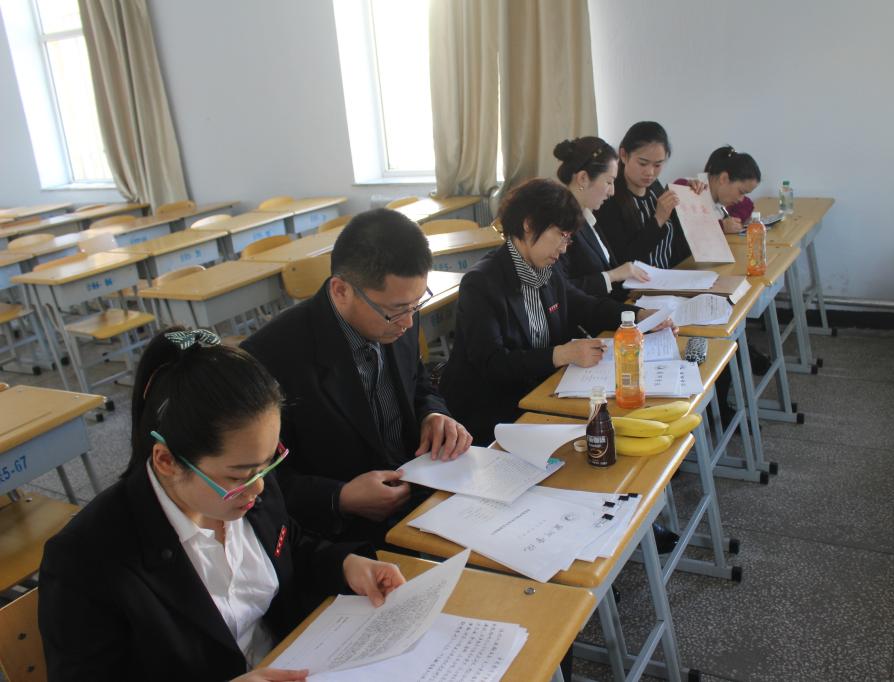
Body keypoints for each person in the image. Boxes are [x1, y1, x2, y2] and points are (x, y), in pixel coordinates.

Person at [39, 328, 406, 681]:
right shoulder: (85, 561)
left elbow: (289, 544)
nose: (259, 486)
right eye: (239, 475)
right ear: (166, 461)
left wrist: (345, 564)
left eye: (269, 463)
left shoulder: (247, 480)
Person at [243, 209, 472, 544]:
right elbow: (260, 480)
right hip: (344, 536)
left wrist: (433, 414)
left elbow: (418, 382)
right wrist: (340, 498)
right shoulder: (271, 356)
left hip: (423, 493)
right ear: (341, 290)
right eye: (396, 311)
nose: (409, 323)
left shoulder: (400, 313)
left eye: (416, 304)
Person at [439, 178, 671, 444]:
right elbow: (492, 363)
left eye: (568, 238)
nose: (563, 248)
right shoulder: (482, 282)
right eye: (561, 235)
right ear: (528, 225)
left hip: (540, 392)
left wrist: (639, 316)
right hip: (490, 411)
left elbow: (585, 305)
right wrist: (561, 354)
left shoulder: (547, 269)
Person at [552, 136, 651, 301]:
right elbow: (561, 290)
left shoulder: (586, 216)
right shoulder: (560, 223)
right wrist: (612, 275)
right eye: (609, 182)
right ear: (583, 178)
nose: (612, 191)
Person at [594, 121, 700, 269]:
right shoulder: (608, 198)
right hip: (637, 283)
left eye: (658, 165)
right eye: (643, 163)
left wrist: (691, 196)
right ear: (623, 155)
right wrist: (658, 220)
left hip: (671, 276)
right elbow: (621, 260)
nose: (650, 172)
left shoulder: (655, 188)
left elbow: (678, 243)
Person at [675, 145, 761, 234]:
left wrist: (732, 222)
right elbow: (684, 229)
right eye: (741, 192)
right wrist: (721, 226)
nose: (741, 199)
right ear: (724, 178)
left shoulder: (723, 198)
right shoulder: (686, 187)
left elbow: (747, 204)